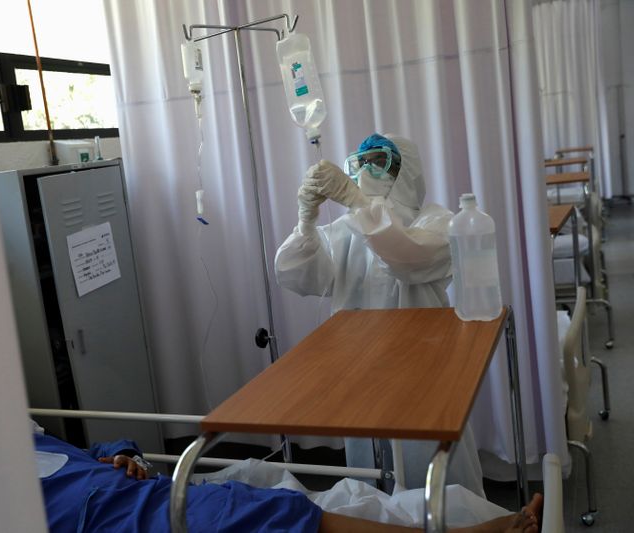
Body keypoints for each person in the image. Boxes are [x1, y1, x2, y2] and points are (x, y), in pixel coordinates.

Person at [274, 133, 483, 495]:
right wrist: (305, 222)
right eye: (361, 162)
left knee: (432, 468)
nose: (368, 170)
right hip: (360, 363)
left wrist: (357, 203)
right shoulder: (347, 230)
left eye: (379, 160)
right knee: (370, 470)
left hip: (423, 362)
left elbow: (407, 256)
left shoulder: (438, 221)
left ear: (406, 171)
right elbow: (298, 275)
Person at [33, 428, 542, 533]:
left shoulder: (25, 440)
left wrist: (122, 453)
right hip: (110, 519)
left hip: (145, 491)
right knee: (262, 512)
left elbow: (91, 448)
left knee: (257, 486)